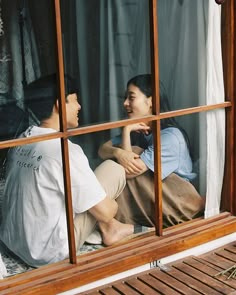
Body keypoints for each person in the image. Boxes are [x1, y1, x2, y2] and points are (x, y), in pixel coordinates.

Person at [0, 74, 140, 268]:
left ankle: (110, 228)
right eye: (75, 100)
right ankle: (112, 229)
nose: (79, 107)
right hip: (47, 253)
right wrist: (109, 208)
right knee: (113, 168)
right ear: (59, 105)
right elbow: (107, 211)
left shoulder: (23, 138)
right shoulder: (64, 150)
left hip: (13, 241)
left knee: (72, 188)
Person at [98, 74, 205, 228]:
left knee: (131, 154)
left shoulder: (171, 137)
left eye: (131, 97)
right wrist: (118, 152)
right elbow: (102, 149)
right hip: (157, 200)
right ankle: (110, 223)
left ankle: (109, 222)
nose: (125, 103)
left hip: (177, 204)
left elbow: (127, 172)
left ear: (151, 101)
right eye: (125, 98)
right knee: (118, 156)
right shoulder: (139, 129)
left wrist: (126, 132)